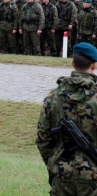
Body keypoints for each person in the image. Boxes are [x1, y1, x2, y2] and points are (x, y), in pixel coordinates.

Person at [36, 42, 97, 195]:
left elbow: (43, 139)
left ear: (72, 63)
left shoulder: (53, 96)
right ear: (94, 66)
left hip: (62, 175)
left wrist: (54, 163)